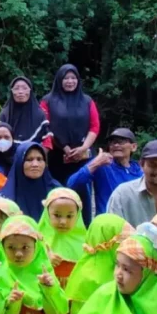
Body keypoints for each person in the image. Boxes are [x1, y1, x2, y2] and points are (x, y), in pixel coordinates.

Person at [39, 64, 100, 221]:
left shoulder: (87, 101)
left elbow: (94, 126)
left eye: (73, 78)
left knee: (82, 196)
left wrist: (83, 147)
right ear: (59, 80)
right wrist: (65, 148)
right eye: (66, 78)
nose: (70, 81)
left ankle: (84, 230)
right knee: (58, 195)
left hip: (82, 157)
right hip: (57, 158)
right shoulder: (48, 101)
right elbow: (45, 126)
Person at [66, 127, 143, 216]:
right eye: (112, 142)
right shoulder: (102, 164)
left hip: (133, 222)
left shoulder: (140, 170)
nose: (116, 145)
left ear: (133, 147)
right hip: (107, 221)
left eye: (121, 141)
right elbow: (71, 184)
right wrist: (95, 164)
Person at [0, 141, 61, 223]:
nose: (35, 164)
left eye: (39, 159)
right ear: (19, 163)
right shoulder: (5, 197)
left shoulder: (57, 191)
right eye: (29, 160)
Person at [0, 76, 49, 143]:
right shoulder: (5, 114)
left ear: (30, 91)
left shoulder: (39, 115)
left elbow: (47, 140)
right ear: (11, 91)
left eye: (25, 88)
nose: (20, 92)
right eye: (16, 88)